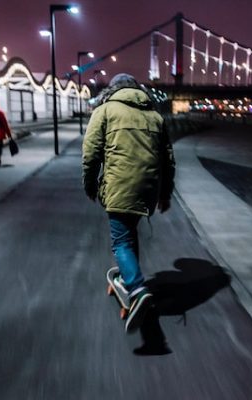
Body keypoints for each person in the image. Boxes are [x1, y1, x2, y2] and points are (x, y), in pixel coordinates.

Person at [82, 73, 175, 333]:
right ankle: (127, 275)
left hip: (119, 185)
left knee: (120, 240)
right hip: (148, 188)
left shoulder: (105, 110)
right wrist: (165, 193)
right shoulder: (155, 117)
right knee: (129, 232)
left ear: (113, 89)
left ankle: (136, 288)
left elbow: (90, 153)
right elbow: (168, 160)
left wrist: (89, 185)